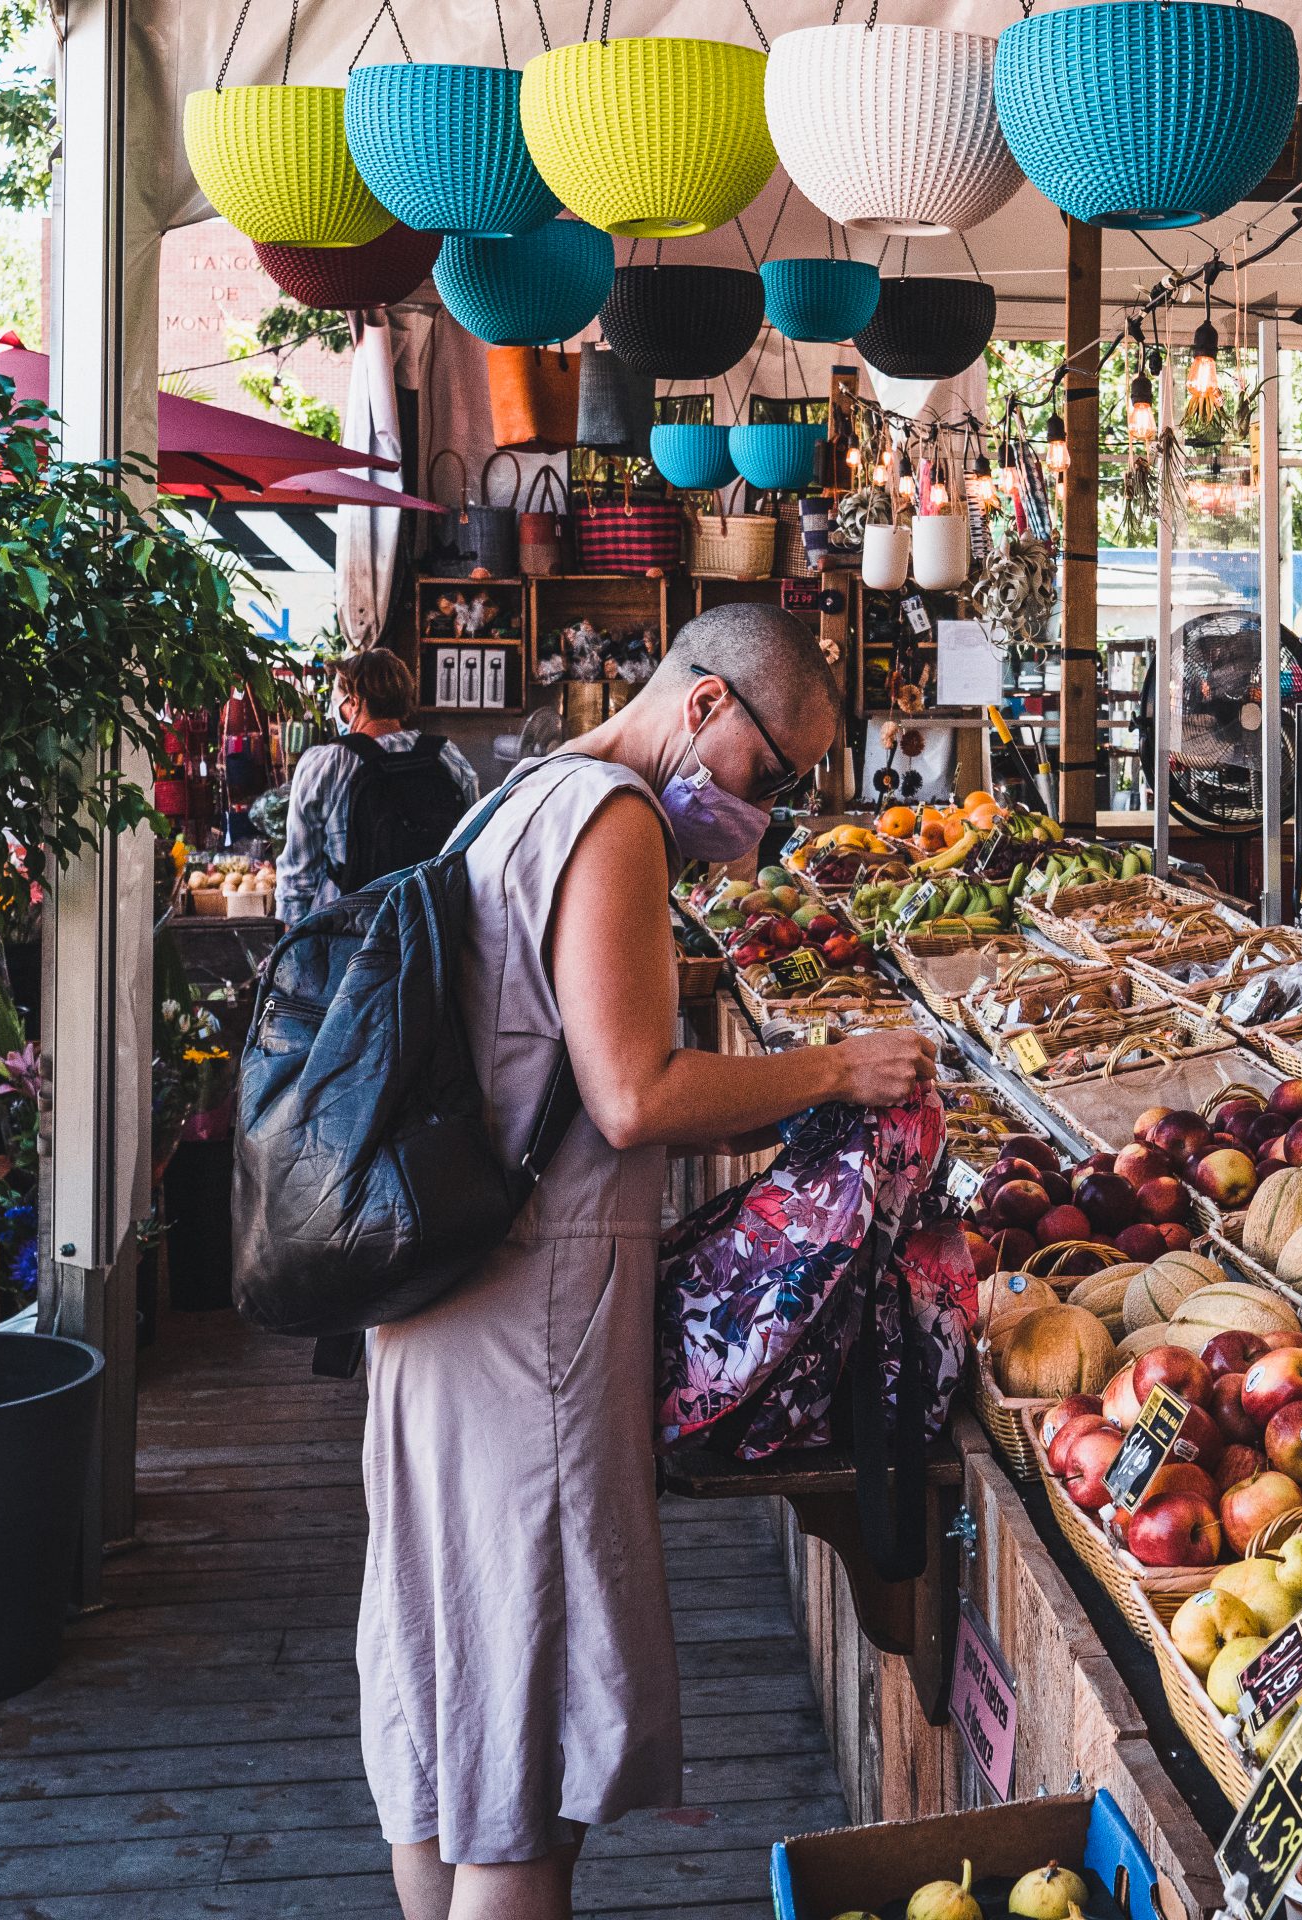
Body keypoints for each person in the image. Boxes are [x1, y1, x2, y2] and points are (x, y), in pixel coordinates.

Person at [358, 603, 938, 1920]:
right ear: (702, 707)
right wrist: (843, 1067)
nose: (769, 810)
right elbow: (630, 1093)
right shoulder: (614, 822)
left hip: (441, 1305)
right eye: (771, 774)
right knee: (525, 1759)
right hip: (533, 1332)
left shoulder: (513, 800)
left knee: (453, 1710)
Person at [274, 649, 479, 922]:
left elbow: (298, 876)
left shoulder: (326, 764)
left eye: (338, 699)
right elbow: (472, 850)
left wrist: (292, 951)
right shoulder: (447, 756)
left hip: (349, 932)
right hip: (428, 927)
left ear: (355, 702)